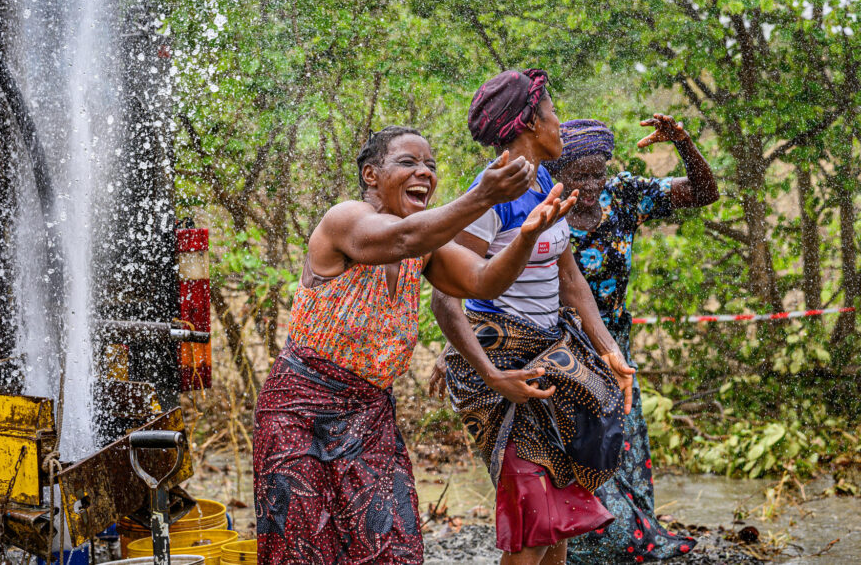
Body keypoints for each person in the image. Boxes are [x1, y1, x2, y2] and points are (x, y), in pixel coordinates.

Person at [253, 125, 577, 565]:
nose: (424, 172)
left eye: (430, 165)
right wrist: (482, 196)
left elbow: (483, 280)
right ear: (371, 175)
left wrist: (525, 237)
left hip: (369, 414)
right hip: (300, 411)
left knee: (391, 546)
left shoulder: (424, 246)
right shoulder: (346, 219)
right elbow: (401, 238)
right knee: (305, 548)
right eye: (408, 162)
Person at [428, 69, 637, 565]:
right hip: (506, 371)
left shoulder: (543, 179)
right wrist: (491, 374)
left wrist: (610, 351)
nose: (560, 122)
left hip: (550, 362)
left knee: (558, 525)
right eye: (552, 112)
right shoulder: (490, 194)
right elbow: (445, 298)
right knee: (533, 529)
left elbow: (570, 281)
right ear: (528, 123)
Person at [541, 116, 717, 563]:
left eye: (598, 171)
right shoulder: (542, 206)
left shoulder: (623, 195)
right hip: (558, 348)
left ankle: (623, 533)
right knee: (573, 446)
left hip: (615, 343)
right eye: (580, 174)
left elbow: (704, 194)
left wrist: (683, 141)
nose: (593, 183)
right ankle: (576, 541)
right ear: (558, 172)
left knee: (620, 442)